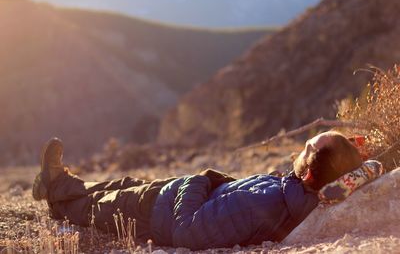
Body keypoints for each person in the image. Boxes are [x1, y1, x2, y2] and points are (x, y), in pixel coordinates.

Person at [32, 131, 367, 250]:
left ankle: (55, 197)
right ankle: (57, 181)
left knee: (99, 205)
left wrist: (198, 179)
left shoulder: (267, 202)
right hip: (165, 197)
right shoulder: (292, 190)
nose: (299, 148)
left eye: (306, 147)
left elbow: (187, 233)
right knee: (119, 185)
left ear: (309, 171)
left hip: (154, 215)